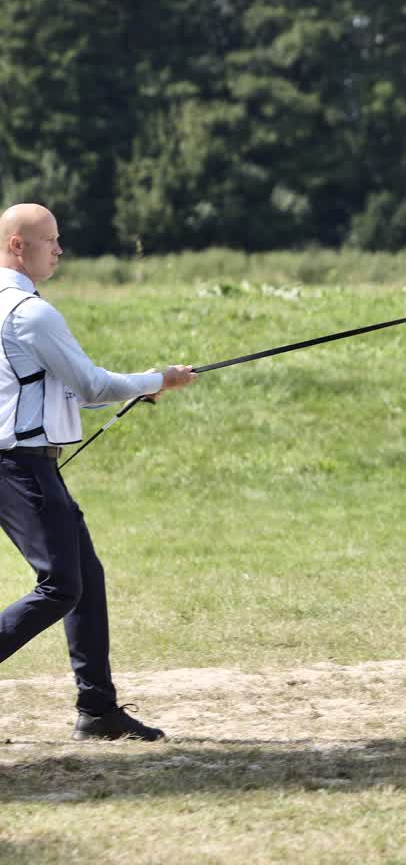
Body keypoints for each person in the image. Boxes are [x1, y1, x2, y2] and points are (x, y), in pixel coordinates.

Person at [0, 203, 196, 741]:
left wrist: (143, 385)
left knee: (85, 579)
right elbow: (90, 386)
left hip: (19, 464)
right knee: (63, 584)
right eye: (51, 240)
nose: (60, 249)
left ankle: (98, 709)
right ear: (19, 245)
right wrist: (161, 376)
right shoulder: (30, 313)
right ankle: (97, 708)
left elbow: (51, 393)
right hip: (21, 467)